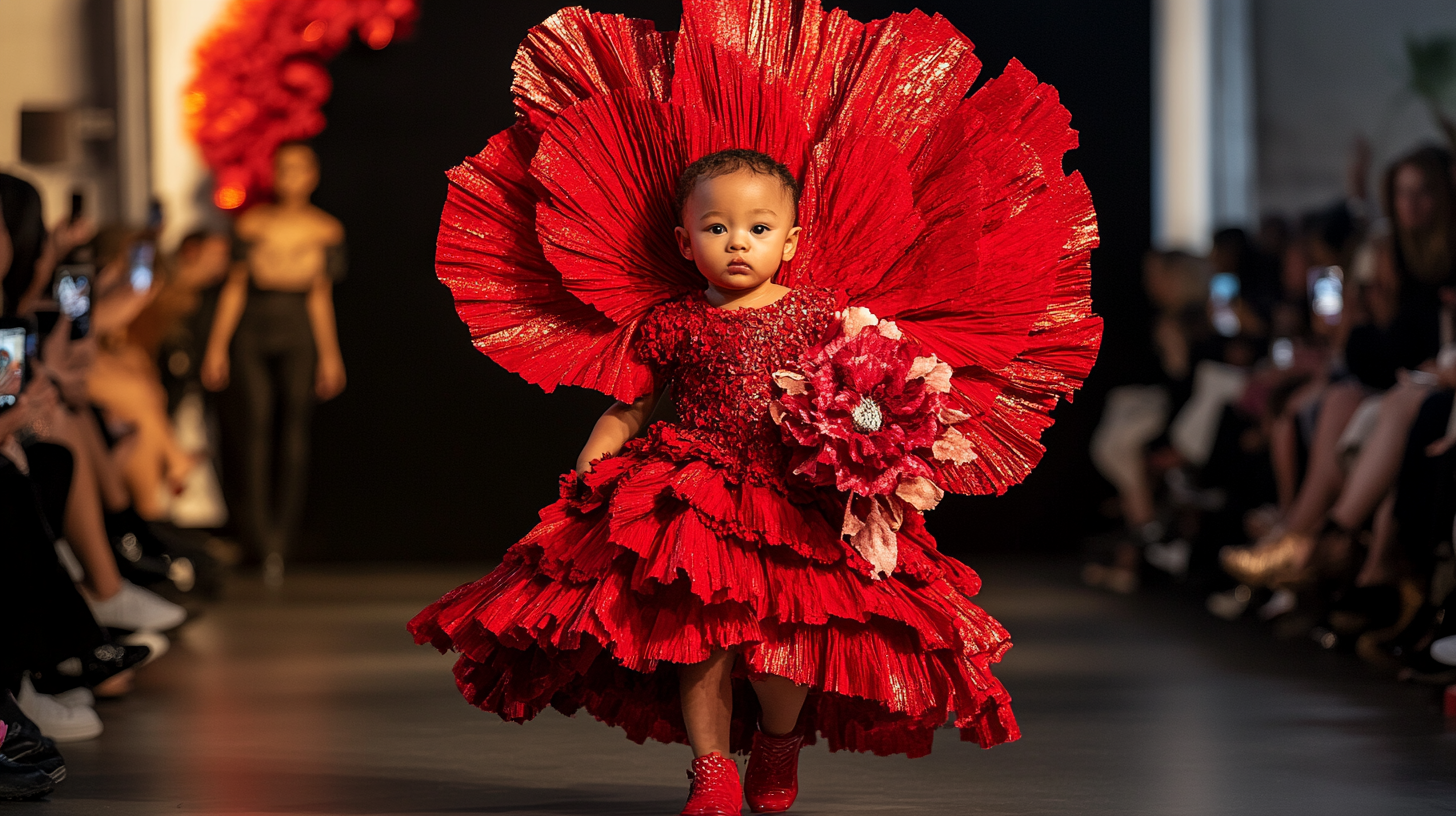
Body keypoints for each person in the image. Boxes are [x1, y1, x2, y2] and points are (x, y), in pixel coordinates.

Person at [408, 4, 1100, 814]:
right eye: (717, 227)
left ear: (792, 241)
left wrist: (876, 440)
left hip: (792, 492)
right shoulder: (671, 320)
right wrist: (597, 455)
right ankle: (711, 770)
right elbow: (633, 404)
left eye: (758, 227)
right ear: (683, 240)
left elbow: (871, 386)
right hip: (691, 490)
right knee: (698, 636)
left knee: (780, 649)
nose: (738, 241)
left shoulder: (818, 312)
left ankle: (777, 741)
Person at [202, 142, 347, 584]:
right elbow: (235, 286)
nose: (290, 177)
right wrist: (216, 346)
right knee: (255, 425)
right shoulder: (252, 223)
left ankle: (282, 540)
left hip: (297, 327)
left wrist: (330, 355)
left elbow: (321, 295)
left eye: (299, 169)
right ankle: (257, 539)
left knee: (294, 432)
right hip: (253, 328)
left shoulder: (325, 230)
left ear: (312, 176)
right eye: (283, 168)